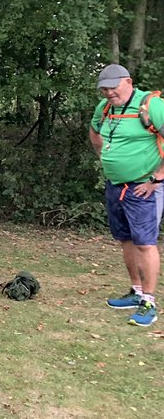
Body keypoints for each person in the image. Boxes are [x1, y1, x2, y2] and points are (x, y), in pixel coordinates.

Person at [89, 63, 164, 328]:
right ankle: (136, 291)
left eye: (112, 87)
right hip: (115, 185)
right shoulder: (105, 108)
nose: (108, 93)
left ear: (128, 81)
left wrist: (157, 177)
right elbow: (95, 131)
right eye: (104, 90)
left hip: (143, 186)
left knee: (145, 243)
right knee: (126, 240)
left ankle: (149, 302)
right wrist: (106, 158)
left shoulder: (151, 106)